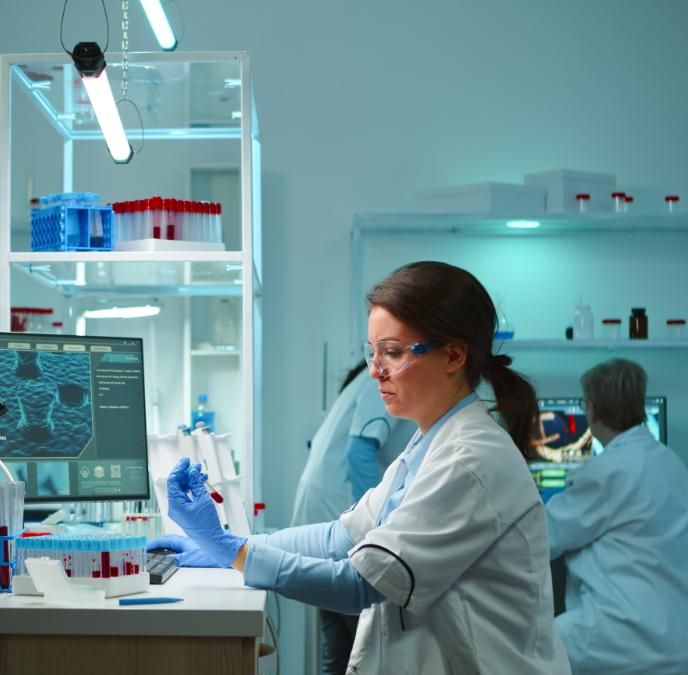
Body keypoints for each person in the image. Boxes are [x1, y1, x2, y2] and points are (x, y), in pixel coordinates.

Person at [151, 261, 569, 674]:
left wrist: (236, 553)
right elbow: (341, 537)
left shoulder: (469, 459)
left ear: (454, 355)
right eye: (373, 352)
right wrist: (230, 545)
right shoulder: (428, 442)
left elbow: (359, 584)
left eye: (392, 352)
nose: (374, 370)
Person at [545, 359, 688, 674]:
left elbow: (542, 537)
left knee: (517, 646)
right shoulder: (672, 463)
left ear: (592, 411)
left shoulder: (605, 472)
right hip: (676, 642)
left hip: (621, 639)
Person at [290, 364, 414, 674]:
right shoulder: (387, 375)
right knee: (366, 651)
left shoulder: (362, 381)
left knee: (339, 651)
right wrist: (380, 531)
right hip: (342, 518)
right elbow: (359, 451)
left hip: (326, 518)